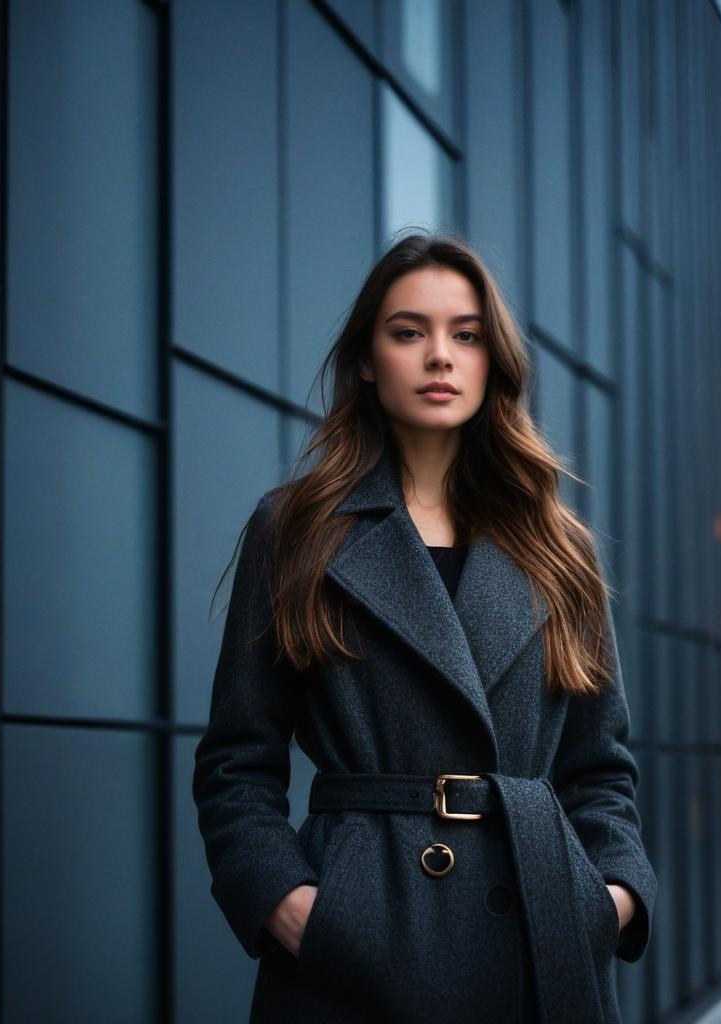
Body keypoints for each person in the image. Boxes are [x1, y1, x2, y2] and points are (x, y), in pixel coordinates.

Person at [192, 232, 657, 1024]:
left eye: (466, 335)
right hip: (359, 937)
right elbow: (238, 761)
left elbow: (600, 768)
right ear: (369, 361)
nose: (440, 356)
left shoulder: (557, 546)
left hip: (535, 926)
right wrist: (292, 904)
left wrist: (609, 898)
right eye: (409, 332)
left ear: (492, 362)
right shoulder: (299, 528)